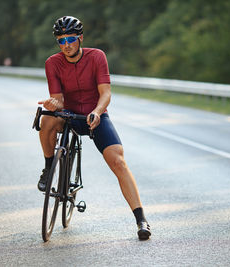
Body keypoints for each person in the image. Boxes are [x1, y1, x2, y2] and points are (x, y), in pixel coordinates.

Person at [37, 16, 151, 240]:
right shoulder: (52, 63)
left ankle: (141, 220)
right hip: (68, 115)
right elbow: (58, 99)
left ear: (80, 38)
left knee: (118, 160)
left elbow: (105, 93)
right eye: (61, 41)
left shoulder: (97, 56)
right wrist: (53, 104)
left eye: (70, 39)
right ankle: (49, 167)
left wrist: (97, 112)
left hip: (94, 115)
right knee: (47, 119)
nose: (66, 44)